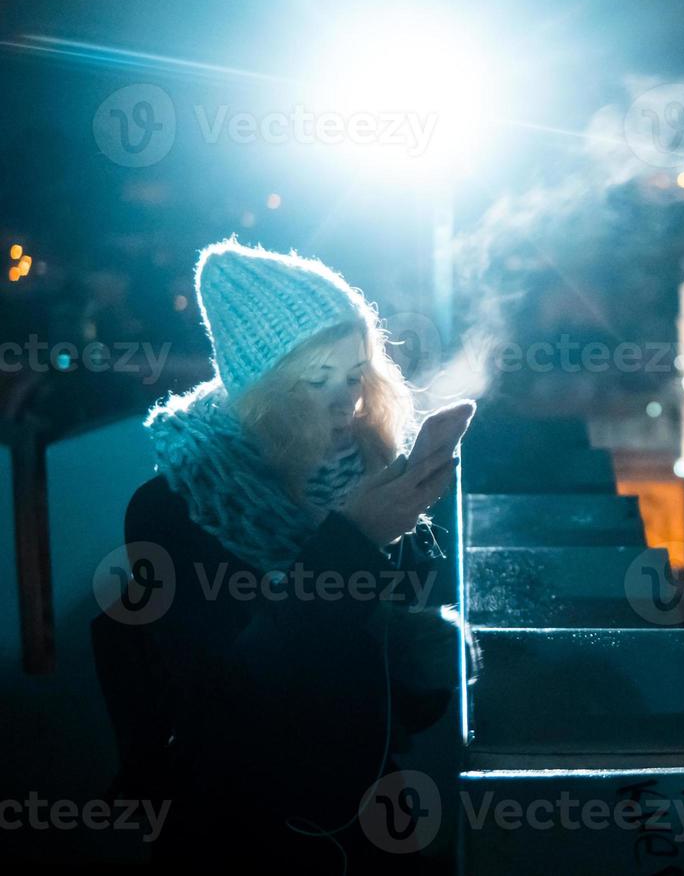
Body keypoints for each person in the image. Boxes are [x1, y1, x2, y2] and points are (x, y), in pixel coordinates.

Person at [112, 239, 467, 873]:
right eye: (317, 380)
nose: (346, 403)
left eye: (356, 376)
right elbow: (229, 697)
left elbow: (398, 710)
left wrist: (423, 653)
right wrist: (355, 542)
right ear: (260, 390)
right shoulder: (171, 506)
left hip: (366, 815)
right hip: (243, 832)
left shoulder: (371, 469)